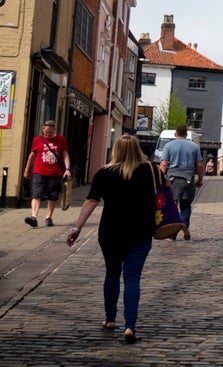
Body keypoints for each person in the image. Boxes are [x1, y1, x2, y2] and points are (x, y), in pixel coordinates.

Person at [65, 134, 157, 344]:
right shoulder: (150, 171)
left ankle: (110, 319)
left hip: (111, 232)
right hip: (140, 231)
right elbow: (163, 196)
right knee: (133, 278)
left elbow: (91, 201)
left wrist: (77, 227)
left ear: (115, 150)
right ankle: (130, 327)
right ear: (137, 150)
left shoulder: (104, 173)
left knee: (112, 274)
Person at [157, 125, 203, 240]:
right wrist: (200, 180)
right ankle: (185, 226)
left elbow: (163, 165)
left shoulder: (168, 146)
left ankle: (172, 234)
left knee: (172, 206)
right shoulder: (194, 147)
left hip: (172, 179)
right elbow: (200, 165)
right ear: (186, 135)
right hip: (188, 179)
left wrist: (160, 179)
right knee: (186, 205)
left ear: (175, 134)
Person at [23, 119, 71, 227]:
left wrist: (67, 169)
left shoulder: (60, 139)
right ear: (43, 130)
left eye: (50, 132)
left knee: (53, 196)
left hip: (55, 173)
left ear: (54, 130)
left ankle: (48, 217)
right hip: (39, 171)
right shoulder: (37, 140)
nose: (47, 135)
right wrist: (27, 169)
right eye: (45, 132)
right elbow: (32, 156)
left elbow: (65, 155)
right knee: (36, 194)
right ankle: (33, 217)